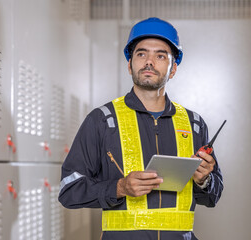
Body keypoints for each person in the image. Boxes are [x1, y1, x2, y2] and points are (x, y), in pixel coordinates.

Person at [58, 17, 223, 240]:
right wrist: (119, 187)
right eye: (141, 53)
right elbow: (69, 190)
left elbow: (212, 196)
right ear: (129, 65)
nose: (149, 61)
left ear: (173, 69)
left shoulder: (193, 124)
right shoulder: (102, 121)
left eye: (160, 55)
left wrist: (204, 180)